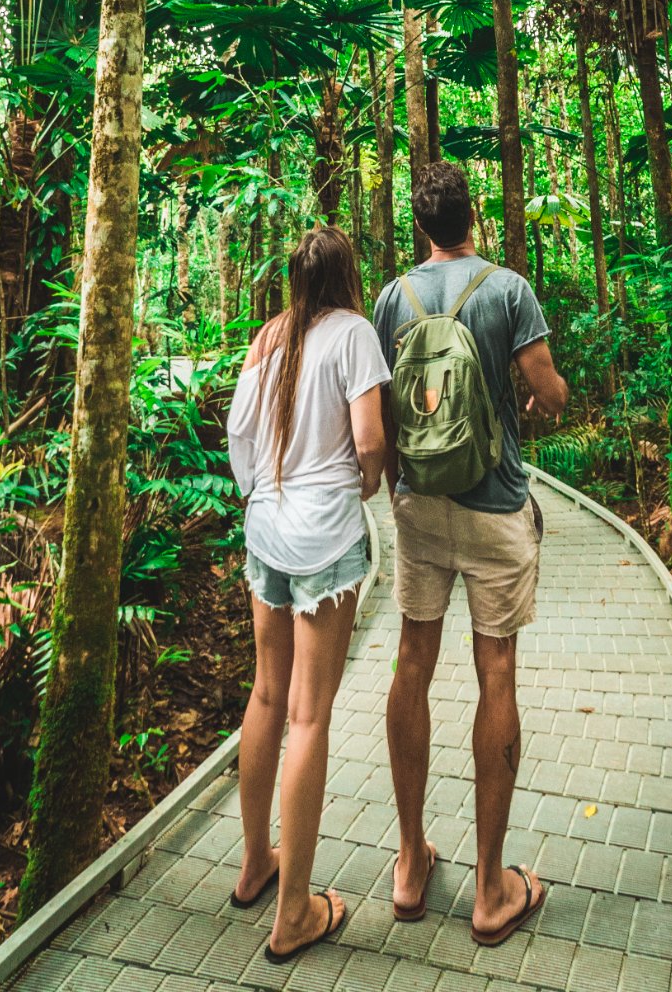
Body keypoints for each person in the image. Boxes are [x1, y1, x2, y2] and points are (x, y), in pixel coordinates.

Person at [373, 162, 570, 947]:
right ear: (473, 217)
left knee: (410, 665)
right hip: (494, 507)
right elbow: (548, 390)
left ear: (422, 226)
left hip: (420, 511)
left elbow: (384, 407)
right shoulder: (509, 289)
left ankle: (409, 861)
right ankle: (491, 890)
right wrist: (536, 399)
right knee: (496, 673)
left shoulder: (394, 298)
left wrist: (394, 494)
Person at [225, 225, 390, 964]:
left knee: (266, 696)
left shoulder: (267, 337)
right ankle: (294, 913)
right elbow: (370, 441)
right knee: (308, 715)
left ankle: (256, 861)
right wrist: (367, 486)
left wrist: (261, 495)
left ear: (295, 279)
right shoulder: (354, 334)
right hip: (325, 535)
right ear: (347, 277)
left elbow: (238, 435)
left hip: (267, 529)